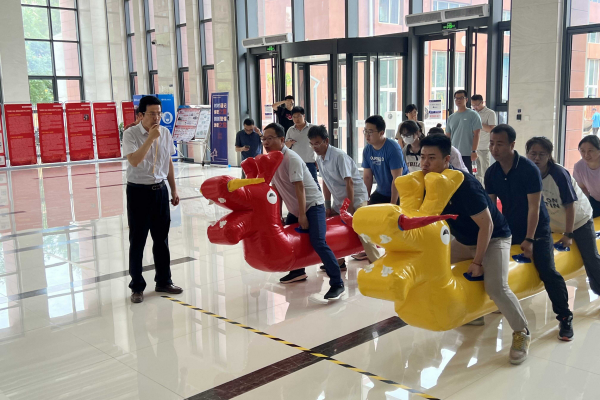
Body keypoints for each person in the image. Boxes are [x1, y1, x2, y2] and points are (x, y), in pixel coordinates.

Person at [420, 134, 530, 364]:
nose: (425, 163)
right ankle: (474, 313)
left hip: (494, 238)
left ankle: (521, 332)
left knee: (496, 287)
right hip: (464, 240)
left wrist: (477, 261)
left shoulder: (465, 185)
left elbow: (487, 225)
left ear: (447, 159)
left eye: (432, 158)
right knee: (429, 265)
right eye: (422, 157)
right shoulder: (428, 183)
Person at [486, 124, 574, 341]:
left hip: (538, 228)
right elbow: (491, 209)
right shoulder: (492, 172)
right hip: (509, 227)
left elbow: (534, 208)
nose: (494, 149)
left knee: (547, 271)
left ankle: (565, 317)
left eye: (500, 144)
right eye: (491, 143)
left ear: (512, 145)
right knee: (490, 262)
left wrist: (529, 239)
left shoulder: (528, 169)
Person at [262, 123, 345, 300]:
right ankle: (298, 271)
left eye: (270, 138)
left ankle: (337, 283)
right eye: (264, 139)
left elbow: (300, 188)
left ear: (282, 140)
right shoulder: (271, 160)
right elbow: (277, 189)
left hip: (312, 205)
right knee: (289, 241)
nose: (266, 142)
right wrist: (279, 215)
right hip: (296, 208)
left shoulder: (290, 158)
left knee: (318, 241)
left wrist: (302, 215)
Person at [122, 95, 183, 304]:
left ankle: (164, 281)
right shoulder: (130, 134)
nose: (157, 117)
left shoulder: (165, 132)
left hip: (160, 191)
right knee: (137, 241)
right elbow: (134, 160)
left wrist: (173, 189)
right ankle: (137, 287)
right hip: (138, 192)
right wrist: (150, 138)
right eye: (152, 113)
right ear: (140, 115)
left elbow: (168, 161)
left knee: (161, 239)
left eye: (159, 113)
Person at [526, 136, 600, 295]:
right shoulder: (527, 173)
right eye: (533, 154)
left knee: (591, 259)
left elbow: (570, 205)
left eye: (542, 154)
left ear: (549, 155)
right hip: (553, 222)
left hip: (579, 220)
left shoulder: (558, 173)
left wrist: (568, 234)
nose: (537, 158)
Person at [308, 125, 381, 266]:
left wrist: (351, 207)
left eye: (317, 143)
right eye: (311, 144)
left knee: (362, 229)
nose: (314, 147)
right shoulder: (320, 159)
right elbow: (326, 183)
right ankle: (339, 261)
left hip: (356, 197)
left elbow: (349, 183)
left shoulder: (339, 156)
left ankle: (376, 263)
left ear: (326, 141)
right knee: (332, 228)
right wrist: (328, 206)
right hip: (340, 200)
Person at [362, 115, 409, 205]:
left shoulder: (393, 148)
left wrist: (392, 204)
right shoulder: (367, 150)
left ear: (381, 133)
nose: (367, 135)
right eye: (365, 131)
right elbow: (367, 177)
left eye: (370, 132)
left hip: (401, 192)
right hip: (382, 192)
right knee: (367, 210)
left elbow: (397, 178)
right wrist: (366, 199)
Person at [446, 90, 483, 174]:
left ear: (466, 99)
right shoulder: (451, 117)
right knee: (454, 176)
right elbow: (448, 136)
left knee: (468, 176)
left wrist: (474, 151)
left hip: (468, 153)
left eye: (461, 98)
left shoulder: (473, 115)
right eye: (456, 98)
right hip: (454, 154)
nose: (458, 100)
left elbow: (477, 134)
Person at [285, 106, 319, 188]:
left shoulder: (312, 128)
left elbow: (318, 144)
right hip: (295, 163)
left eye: (299, 116)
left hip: (310, 162)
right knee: (297, 185)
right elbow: (286, 146)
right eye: (294, 117)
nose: (296, 119)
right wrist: (289, 143)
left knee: (314, 184)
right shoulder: (290, 130)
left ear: (304, 116)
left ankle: (318, 197)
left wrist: (318, 159)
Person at [471, 94, 497, 184]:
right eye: (473, 105)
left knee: (485, 172)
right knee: (476, 173)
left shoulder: (490, 113)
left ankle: (487, 190)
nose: (475, 107)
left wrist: (478, 124)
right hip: (473, 148)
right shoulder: (472, 113)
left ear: (482, 102)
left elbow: (492, 130)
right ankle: (479, 190)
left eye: (477, 105)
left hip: (484, 147)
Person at [574, 135, 600, 218]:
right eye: (582, 151)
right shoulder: (579, 166)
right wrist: (586, 206)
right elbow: (582, 188)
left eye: (590, 151)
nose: (586, 155)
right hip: (595, 200)